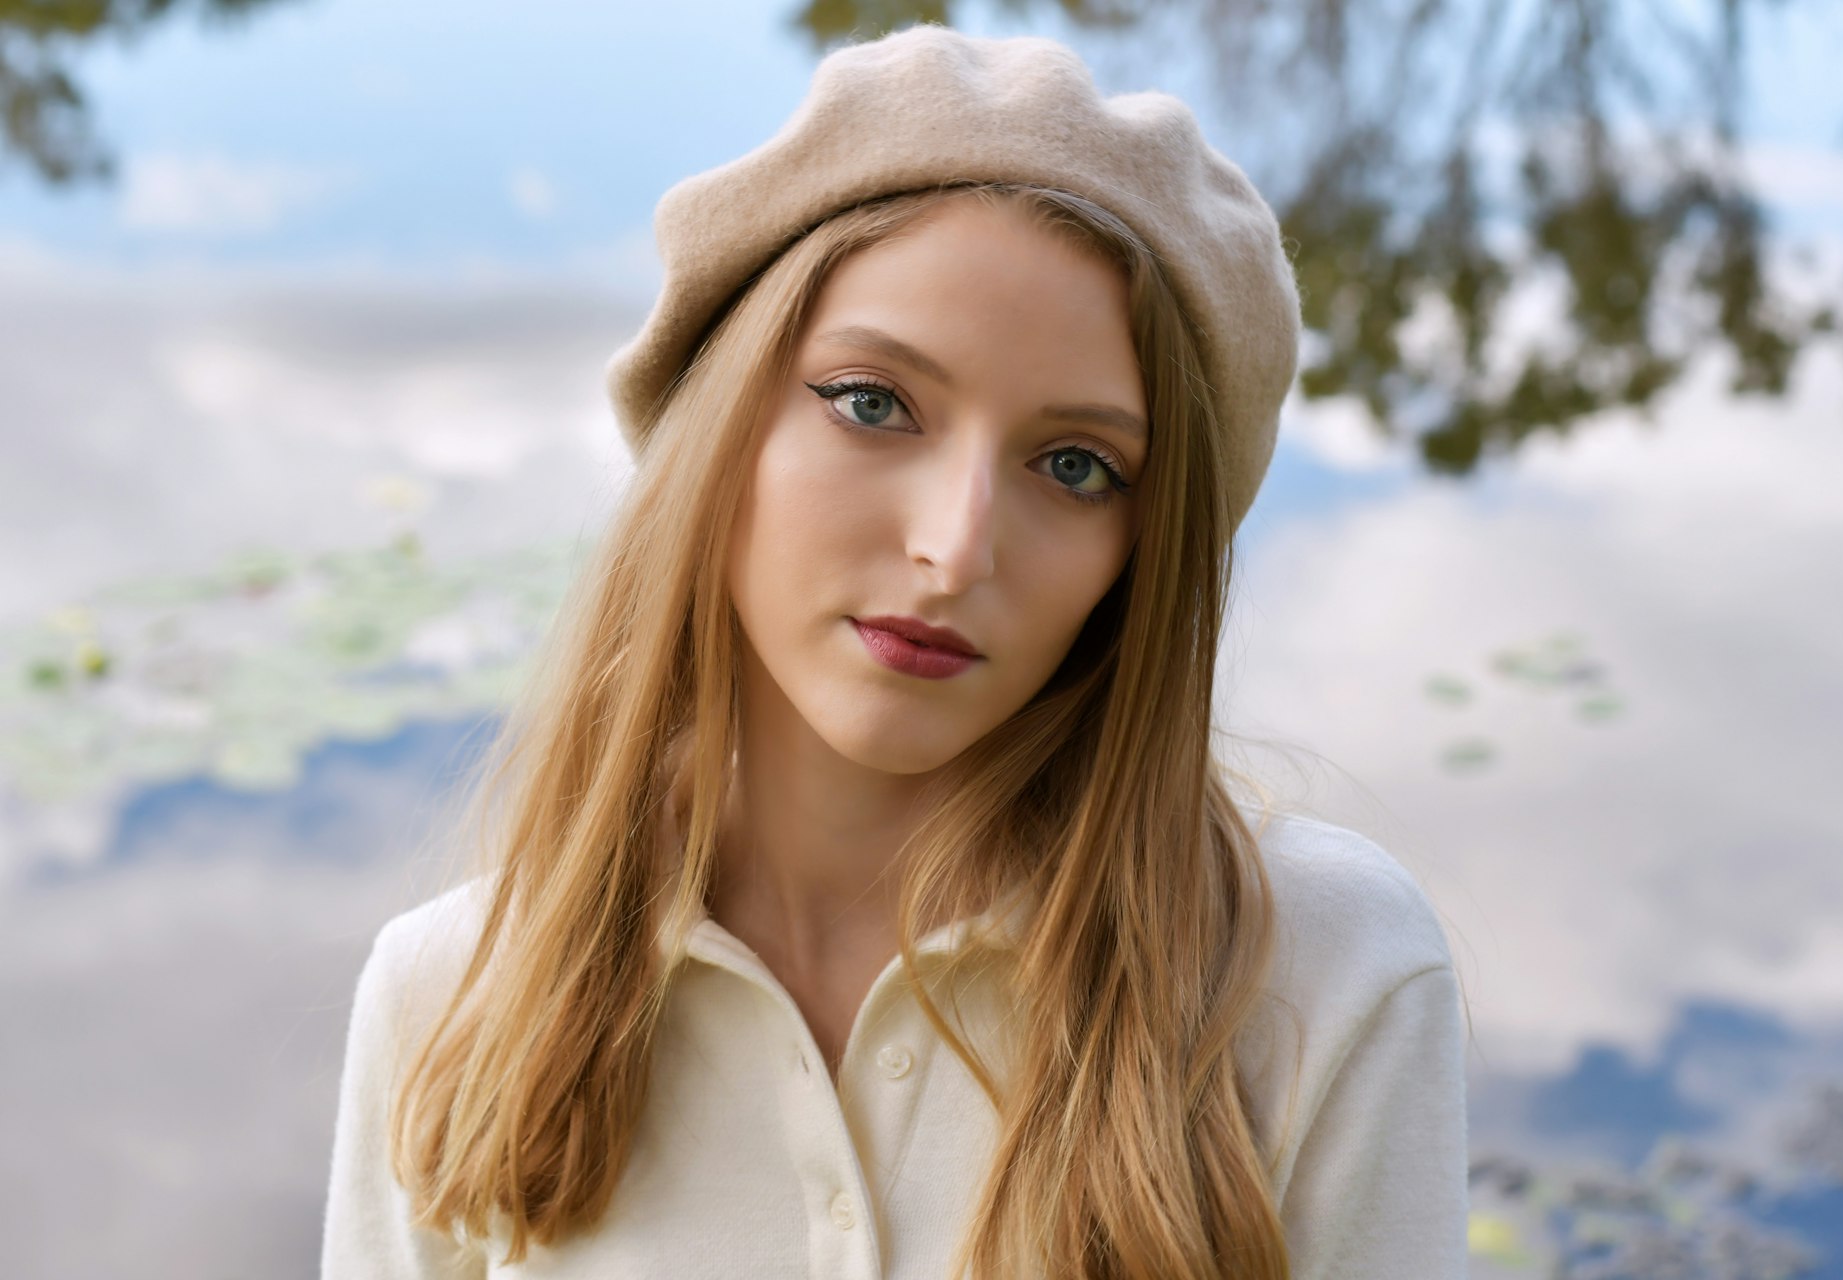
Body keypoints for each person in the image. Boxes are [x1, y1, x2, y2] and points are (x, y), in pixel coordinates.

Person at [320, 23, 1467, 1280]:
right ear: (720, 423)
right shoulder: (447, 998)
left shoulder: (1326, 975)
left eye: (1076, 466)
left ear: (1141, 551)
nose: (956, 547)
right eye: (874, 403)